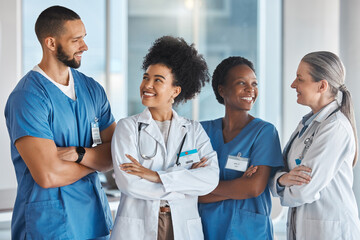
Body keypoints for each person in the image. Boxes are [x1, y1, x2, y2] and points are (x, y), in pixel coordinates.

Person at [5, 6, 115, 239]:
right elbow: (48, 175)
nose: (84, 46)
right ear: (51, 43)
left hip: (95, 222)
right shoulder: (28, 97)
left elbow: (115, 155)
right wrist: (94, 158)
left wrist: (78, 153)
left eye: (83, 38)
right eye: (76, 40)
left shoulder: (93, 90)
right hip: (49, 226)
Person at [110, 36, 219, 240]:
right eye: (146, 77)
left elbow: (210, 180)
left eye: (158, 80)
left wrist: (155, 176)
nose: (147, 85)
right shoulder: (128, 127)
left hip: (182, 226)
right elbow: (130, 184)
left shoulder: (194, 130)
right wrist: (184, 185)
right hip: (138, 227)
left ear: (175, 91)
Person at [270, 51, 360, 239]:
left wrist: (278, 183)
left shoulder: (335, 128)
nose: (293, 84)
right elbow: (282, 171)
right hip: (307, 227)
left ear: (322, 86)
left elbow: (304, 190)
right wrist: (280, 180)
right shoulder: (308, 124)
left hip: (331, 231)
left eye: (300, 79)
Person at [198, 56, 284, 240]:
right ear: (222, 90)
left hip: (249, 231)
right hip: (206, 229)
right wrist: (237, 187)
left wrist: (204, 190)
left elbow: (253, 187)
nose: (250, 89)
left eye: (254, 83)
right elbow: (188, 190)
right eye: (241, 83)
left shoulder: (264, 132)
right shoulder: (202, 131)